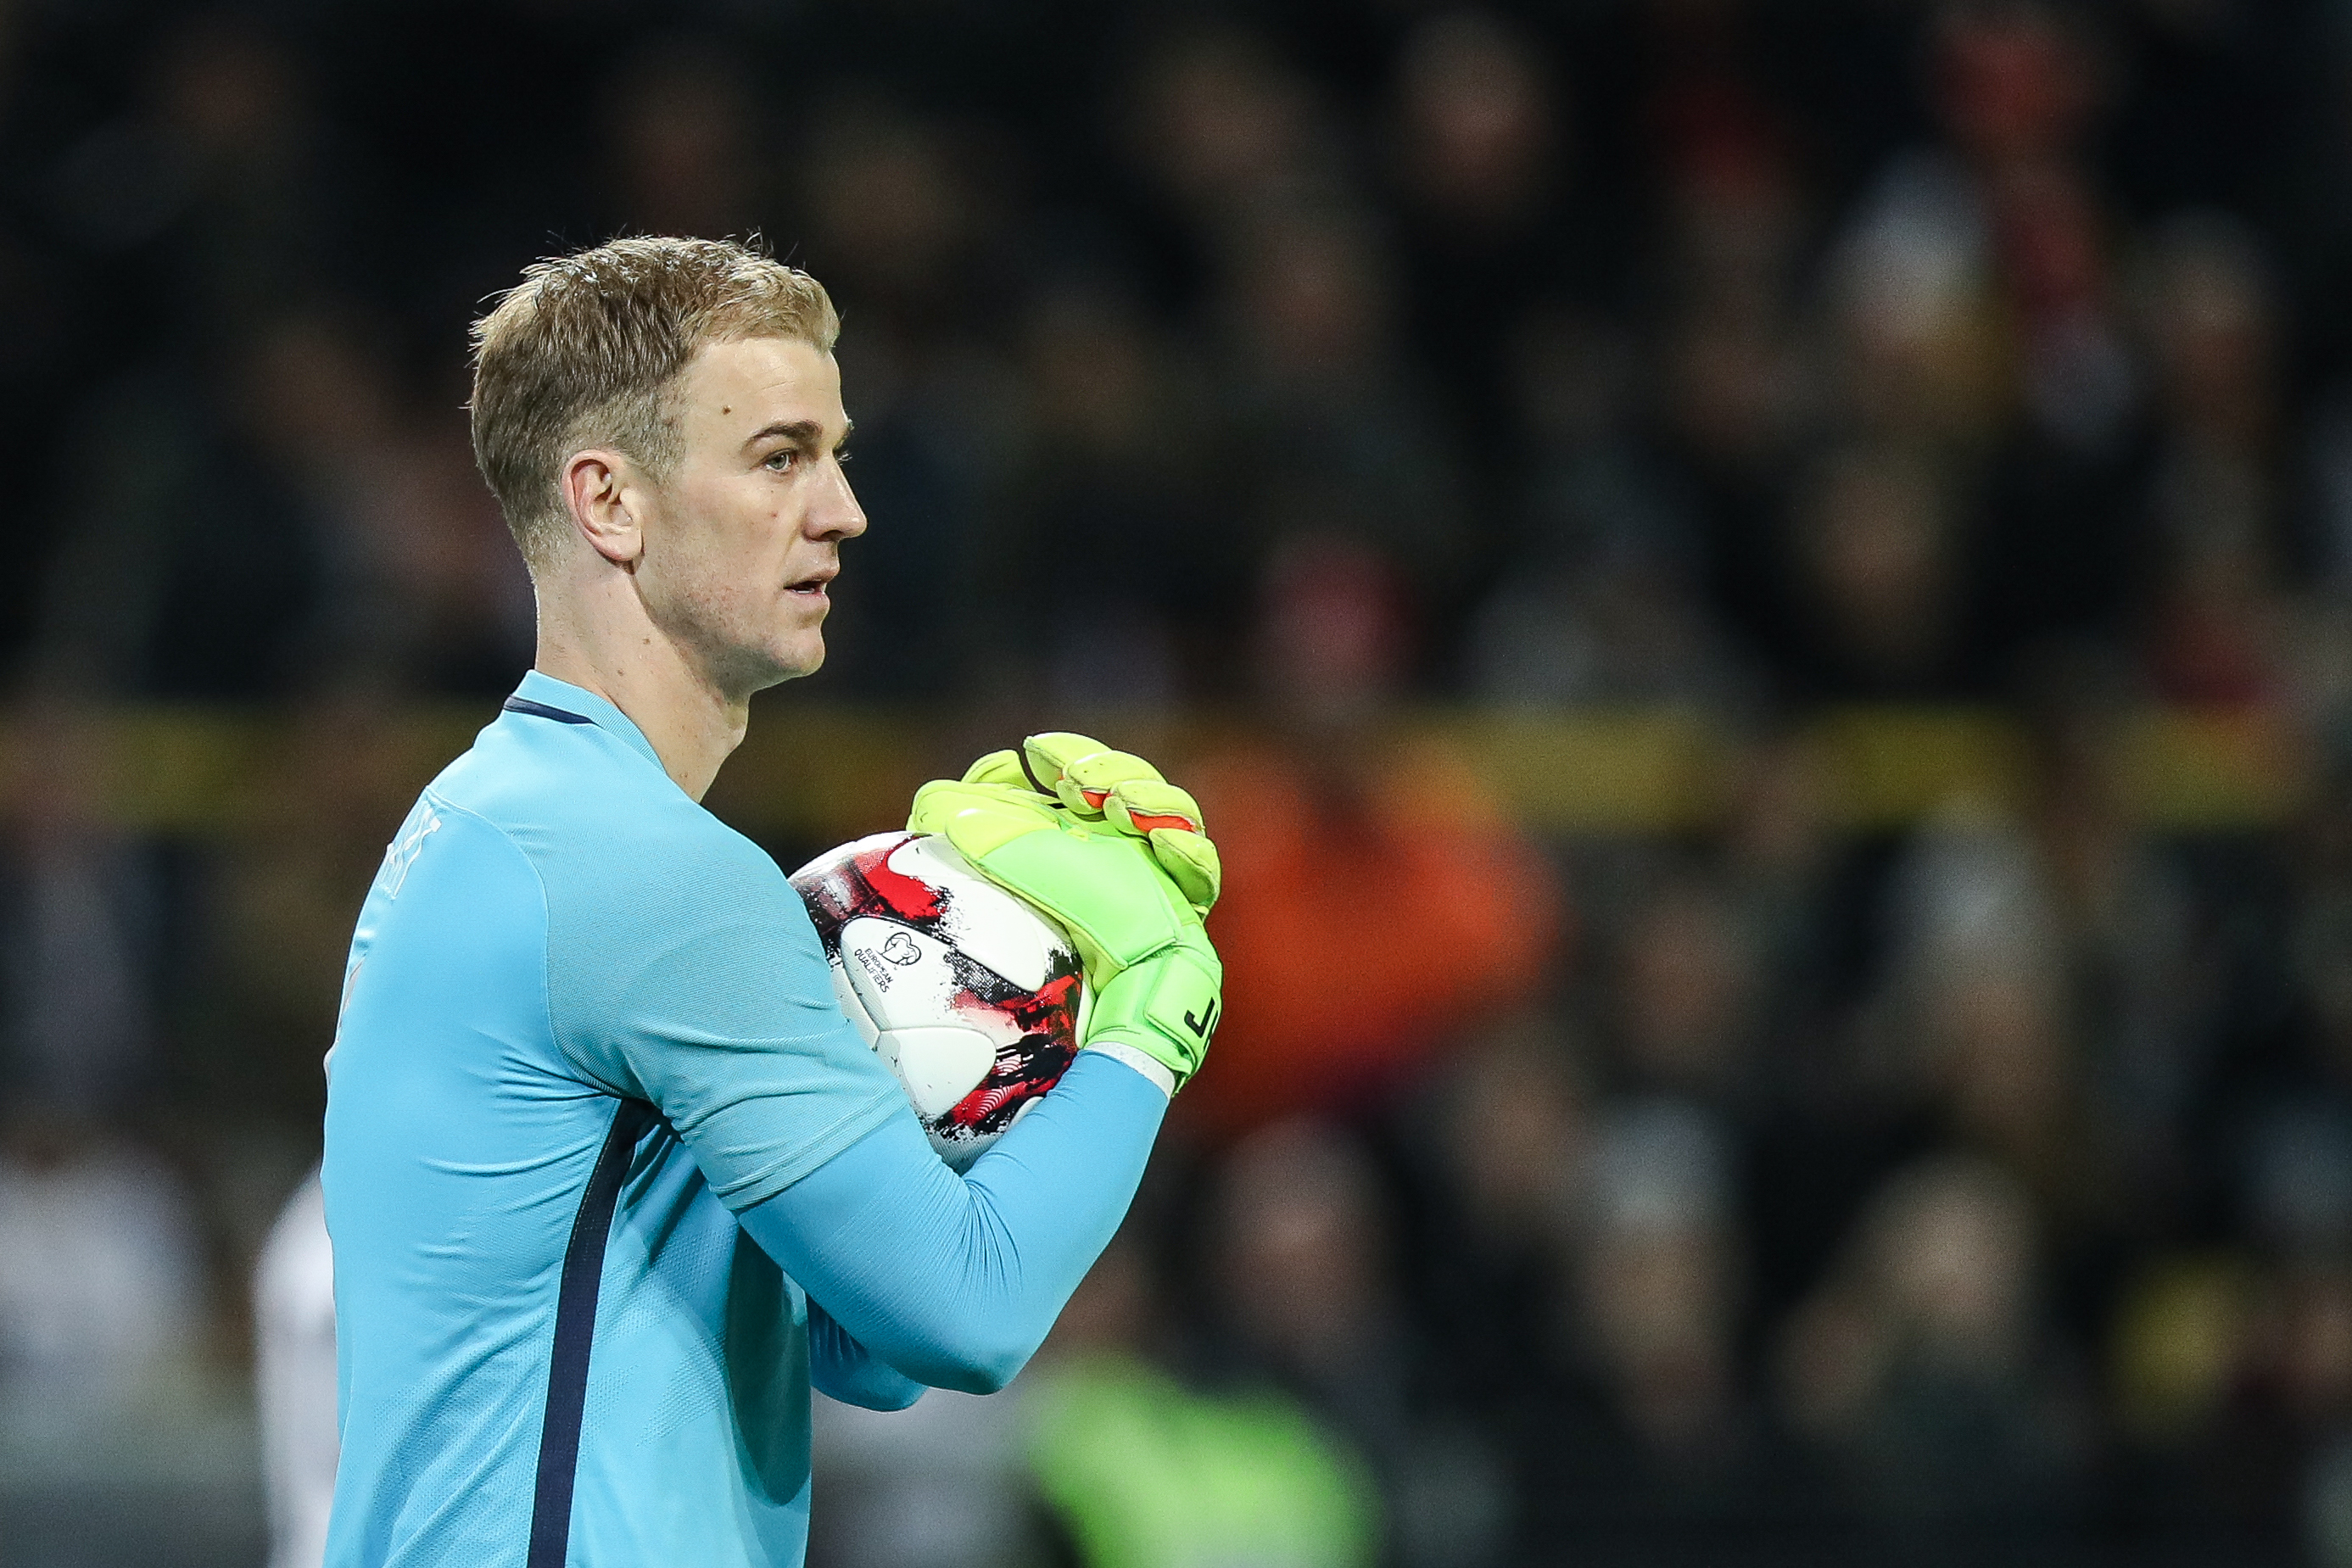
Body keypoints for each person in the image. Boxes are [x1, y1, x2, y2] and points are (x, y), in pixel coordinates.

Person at [320, 237, 1223, 1567]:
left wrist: (993, 1043)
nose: (843, 509)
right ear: (609, 503)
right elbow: (963, 1313)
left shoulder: (493, 824)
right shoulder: (648, 877)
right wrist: (1147, 1014)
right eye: (780, 457)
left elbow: (861, 1349)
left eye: (835, 454)